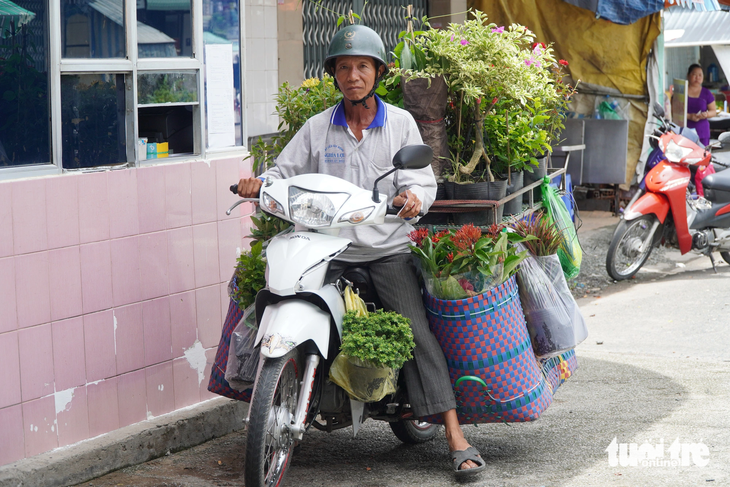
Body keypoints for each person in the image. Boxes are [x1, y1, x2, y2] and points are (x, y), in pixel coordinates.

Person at [236, 25, 486, 478]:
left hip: (385, 250)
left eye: (362, 67)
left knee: (415, 332)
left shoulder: (400, 124)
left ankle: (455, 436)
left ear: (377, 73)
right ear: (333, 74)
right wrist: (260, 183)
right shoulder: (317, 128)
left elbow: (421, 179)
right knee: (273, 298)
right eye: (345, 67)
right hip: (328, 251)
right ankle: (266, 397)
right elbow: (281, 172)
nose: (353, 75)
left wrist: (413, 197)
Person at [686, 63, 717, 146]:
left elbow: (713, 111)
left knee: (702, 156)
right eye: (694, 74)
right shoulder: (682, 92)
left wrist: (706, 114)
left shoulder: (706, 93)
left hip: (702, 132)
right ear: (688, 76)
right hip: (684, 131)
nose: (697, 77)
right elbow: (675, 112)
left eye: (700, 75)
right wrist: (689, 116)